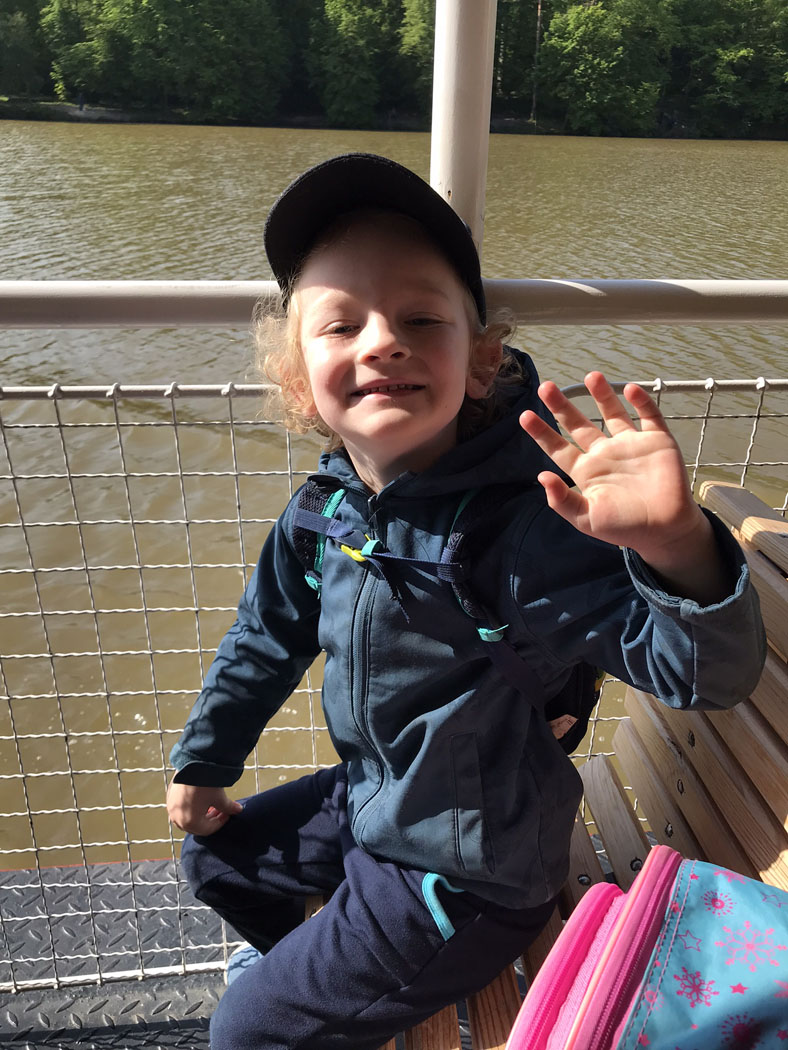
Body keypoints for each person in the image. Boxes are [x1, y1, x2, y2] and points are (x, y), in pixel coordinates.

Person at [166, 153, 765, 1050]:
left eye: (420, 319)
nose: (383, 341)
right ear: (300, 380)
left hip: (471, 869)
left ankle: (319, 1000)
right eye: (342, 325)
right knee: (218, 859)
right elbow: (266, 635)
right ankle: (335, 995)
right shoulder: (325, 513)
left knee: (242, 1031)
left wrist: (675, 544)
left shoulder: (522, 531)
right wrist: (206, 758)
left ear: (482, 362)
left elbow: (705, 676)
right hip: (379, 802)